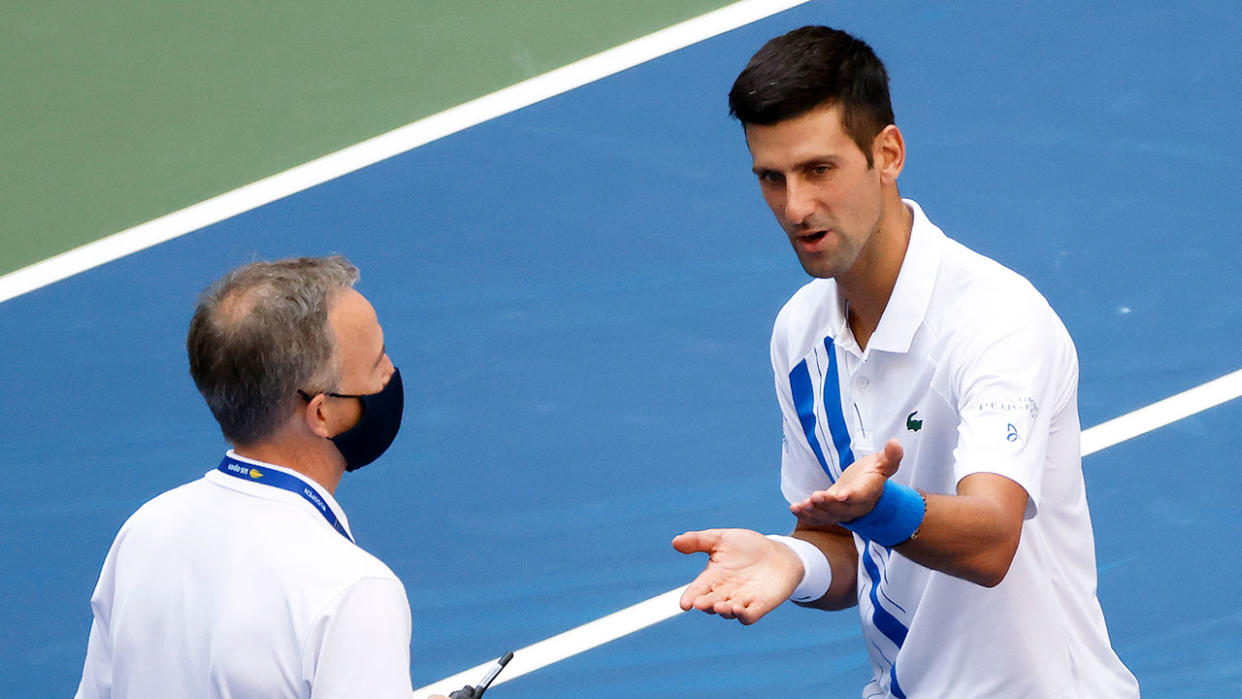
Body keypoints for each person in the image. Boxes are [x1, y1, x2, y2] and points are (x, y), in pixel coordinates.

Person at [673, 26, 1140, 697]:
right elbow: (842, 544)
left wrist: (877, 508)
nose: (795, 207)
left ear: (887, 153)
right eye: (771, 179)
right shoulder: (799, 336)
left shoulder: (997, 320)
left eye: (818, 170)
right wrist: (790, 558)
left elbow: (989, 541)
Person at [75, 256, 450, 698]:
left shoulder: (144, 532)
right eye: (376, 363)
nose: (391, 373)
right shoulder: (352, 591)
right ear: (323, 413)